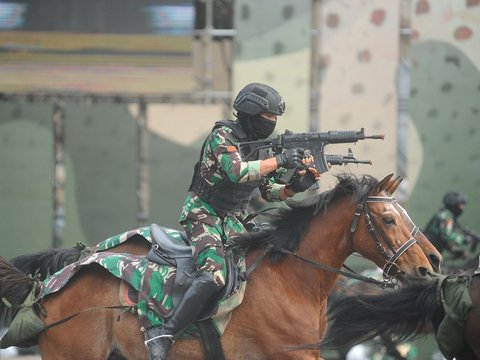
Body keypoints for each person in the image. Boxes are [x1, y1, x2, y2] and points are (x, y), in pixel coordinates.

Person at [144, 82, 321, 359]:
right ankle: (164, 333)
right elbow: (237, 171)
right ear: (250, 114)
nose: (272, 123)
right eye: (268, 117)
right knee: (213, 275)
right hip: (203, 215)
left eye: (275, 119)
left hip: (234, 220)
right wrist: (281, 159)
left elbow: (269, 191)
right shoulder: (222, 136)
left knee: (264, 264)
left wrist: (295, 186)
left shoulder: (263, 148)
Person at [423, 191, 473, 262]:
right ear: (455, 204)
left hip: (430, 251)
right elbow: (446, 235)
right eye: (461, 204)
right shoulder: (446, 216)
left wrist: (457, 251)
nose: (463, 208)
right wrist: (463, 239)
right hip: (427, 251)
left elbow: (442, 240)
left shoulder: (445, 214)